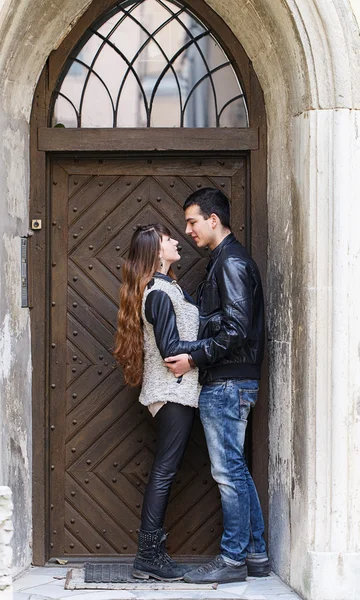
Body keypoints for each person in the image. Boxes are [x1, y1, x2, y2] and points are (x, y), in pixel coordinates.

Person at [164, 188, 270, 584]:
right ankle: (256, 555)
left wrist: (193, 356)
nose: (188, 229)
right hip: (231, 379)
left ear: (213, 219)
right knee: (236, 470)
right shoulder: (225, 260)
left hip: (228, 382)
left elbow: (236, 330)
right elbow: (225, 326)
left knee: (227, 472)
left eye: (192, 221)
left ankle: (232, 559)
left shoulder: (231, 262)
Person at [113, 223, 204, 582]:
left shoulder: (167, 289)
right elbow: (170, 350)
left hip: (176, 391)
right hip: (172, 391)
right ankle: (149, 555)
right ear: (155, 251)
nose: (176, 241)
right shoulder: (159, 293)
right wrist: (208, 351)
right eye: (168, 240)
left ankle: (149, 554)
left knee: (166, 470)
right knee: (164, 471)